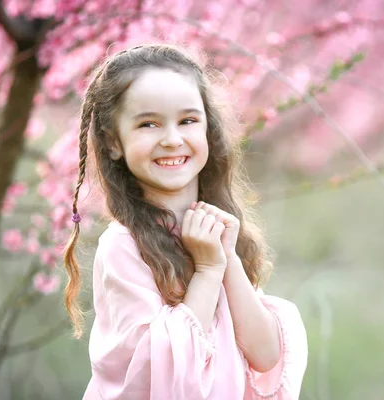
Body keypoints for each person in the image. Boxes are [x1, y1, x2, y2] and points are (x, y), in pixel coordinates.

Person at [62, 44, 308, 400]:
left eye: (188, 121)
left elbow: (267, 356)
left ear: (208, 130)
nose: (172, 139)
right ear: (114, 141)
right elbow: (159, 378)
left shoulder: (216, 234)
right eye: (149, 124)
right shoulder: (124, 248)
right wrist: (207, 271)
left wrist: (227, 261)